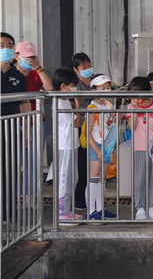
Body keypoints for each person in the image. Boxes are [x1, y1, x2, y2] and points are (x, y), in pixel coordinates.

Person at [14, 40, 53, 207]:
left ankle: (30, 196)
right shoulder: (11, 76)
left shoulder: (36, 73)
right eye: (26, 57)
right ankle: (12, 197)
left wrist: (38, 68)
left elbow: (50, 88)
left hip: (36, 123)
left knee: (33, 162)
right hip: (15, 124)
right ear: (16, 56)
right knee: (14, 162)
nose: (29, 60)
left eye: (33, 57)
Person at [126, 76, 153, 220]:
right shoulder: (131, 107)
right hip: (139, 147)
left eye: (138, 94)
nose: (136, 97)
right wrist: (136, 109)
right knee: (139, 178)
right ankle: (140, 208)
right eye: (133, 94)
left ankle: (152, 207)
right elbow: (132, 126)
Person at [1, 32, 31, 223]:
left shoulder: (17, 76)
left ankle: (7, 213)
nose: (6, 48)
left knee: (9, 171)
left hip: (10, 130)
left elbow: (26, 103)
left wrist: (27, 130)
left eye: (10, 45)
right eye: (2, 44)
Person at [83, 74, 117, 222]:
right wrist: (96, 150)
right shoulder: (92, 107)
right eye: (102, 88)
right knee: (93, 178)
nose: (106, 90)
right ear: (93, 90)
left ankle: (100, 208)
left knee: (102, 180)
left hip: (107, 144)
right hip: (96, 144)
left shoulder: (109, 104)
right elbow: (87, 132)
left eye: (108, 87)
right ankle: (91, 211)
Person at [52, 67, 83, 225]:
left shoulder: (64, 101)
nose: (75, 88)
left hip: (72, 144)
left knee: (72, 177)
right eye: (73, 85)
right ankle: (61, 213)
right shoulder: (60, 102)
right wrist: (78, 103)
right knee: (64, 178)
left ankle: (67, 209)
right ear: (63, 86)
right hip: (65, 146)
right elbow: (76, 123)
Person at [72, 52, 94, 211]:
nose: (87, 68)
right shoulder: (75, 85)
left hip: (95, 128)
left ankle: (91, 196)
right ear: (76, 69)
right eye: (83, 66)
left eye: (88, 65)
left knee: (93, 163)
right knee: (82, 164)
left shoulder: (94, 82)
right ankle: (79, 197)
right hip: (82, 129)